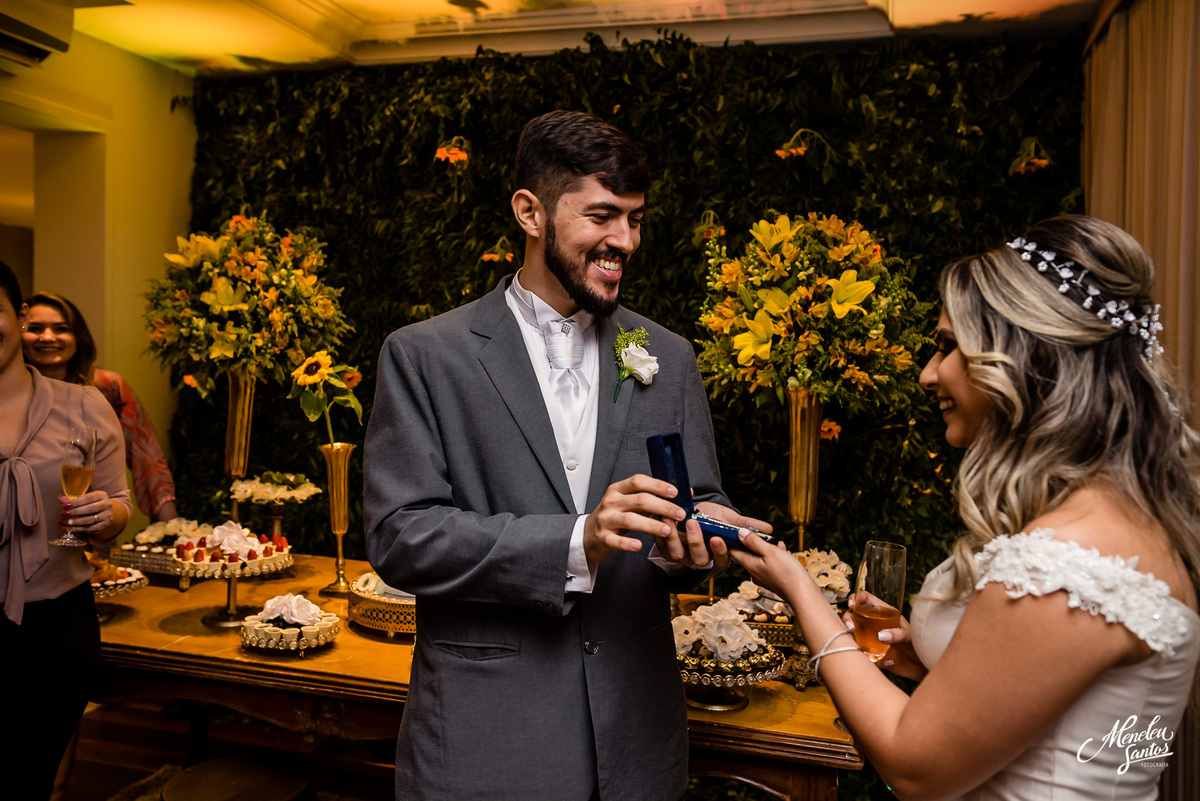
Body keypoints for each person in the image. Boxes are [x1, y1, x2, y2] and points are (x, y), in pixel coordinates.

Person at [364, 110, 769, 801]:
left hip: (637, 742)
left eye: (635, 220)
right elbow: (400, 537)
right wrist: (576, 540)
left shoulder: (668, 357)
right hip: (487, 741)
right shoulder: (425, 356)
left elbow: (697, 494)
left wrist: (696, 541)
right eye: (604, 216)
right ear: (530, 211)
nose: (625, 241)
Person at [727, 215, 1200, 799]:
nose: (929, 373)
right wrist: (924, 666)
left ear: (1026, 357)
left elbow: (913, 766)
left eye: (949, 346)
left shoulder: (1069, 558)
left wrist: (802, 595)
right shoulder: (1120, 520)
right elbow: (1056, 723)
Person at [0, 260, 133, 799]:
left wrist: (108, 516)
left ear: (19, 314)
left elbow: (119, 508)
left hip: (55, 629)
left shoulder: (85, 404)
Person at [23, 292, 178, 523]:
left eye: (61, 329)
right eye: (35, 328)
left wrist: (171, 527)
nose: (47, 337)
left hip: (93, 531)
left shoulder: (106, 387)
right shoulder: (11, 392)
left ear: (78, 338)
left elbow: (146, 454)